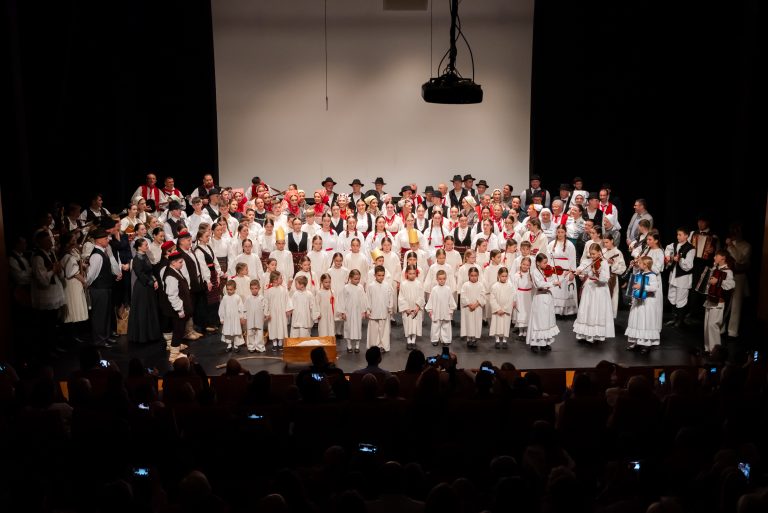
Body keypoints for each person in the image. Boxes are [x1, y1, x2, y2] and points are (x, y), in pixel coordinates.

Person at [572, 243, 615, 344]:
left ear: (599, 252)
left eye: (594, 254)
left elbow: (605, 279)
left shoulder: (604, 263)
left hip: (600, 289)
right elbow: (582, 268)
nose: (592, 256)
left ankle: (596, 335)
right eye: (591, 254)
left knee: (597, 310)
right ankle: (585, 334)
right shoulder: (587, 261)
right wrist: (579, 272)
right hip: (589, 288)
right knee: (587, 309)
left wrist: (597, 273)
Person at [85, 229, 119, 348]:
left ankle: (105, 336)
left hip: (105, 288)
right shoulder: (96, 255)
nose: (108, 240)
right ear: (98, 241)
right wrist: (88, 285)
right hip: (99, 289)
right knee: (99, 315)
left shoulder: (102, 252)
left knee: (106, 314)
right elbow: (91, 276)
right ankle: (99, 339)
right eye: (105, 238)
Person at [160, 251, 194, 362]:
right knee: (178, 330)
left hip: (179, 308)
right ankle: (174, 355)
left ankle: (176, 346)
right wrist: (179, 309)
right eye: (180, 262)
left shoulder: (175, 271)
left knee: (179, 329)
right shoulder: (171, 276)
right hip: (176, 309)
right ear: (173, 263)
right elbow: (172, 295)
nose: (182, 264)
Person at [703, 249, 736, 355]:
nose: (714, 257)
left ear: (723, 258)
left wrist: (718, 281)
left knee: (713, 326)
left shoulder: (728, 271)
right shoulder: (715, 268)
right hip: (710, 300)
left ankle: (715, 351)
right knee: (707, 325)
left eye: (716, 256)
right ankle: (708, 349)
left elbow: (731, 284)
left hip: (718, 302)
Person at [128, 238, 161, 344]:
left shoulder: (145, 256)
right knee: (143, 311)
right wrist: (151, 282)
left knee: (150, 309)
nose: (147, 246)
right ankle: (143, 336)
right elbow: (140, 274)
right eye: (145, 245)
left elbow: (150, 271)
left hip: (148, 286)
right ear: (139, 247)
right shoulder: (136, 259)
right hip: (142, 287)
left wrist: (155, 280)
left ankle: (151, 334)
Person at [625, 256, 660, 354]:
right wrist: (632, 292)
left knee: (645, 321)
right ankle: (636, 342)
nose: (638, 264)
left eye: (640, 263)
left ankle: (646, 344)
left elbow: (654, 288)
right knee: (637, 321)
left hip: (647, 302)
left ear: (645, 265)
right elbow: (634, 285)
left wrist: (642, 286)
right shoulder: (638, 273)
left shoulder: (652, 275)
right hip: (638, 302)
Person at [527, 253, 560, 352]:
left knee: (547, 320)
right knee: (538, 321)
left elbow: (552, 279)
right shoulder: (534, 272)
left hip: (547, 296)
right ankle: (534, 343)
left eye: (547, 262)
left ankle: (545, 343)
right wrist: (552, 283)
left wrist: (555, 280)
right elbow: (539, 284)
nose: (546, 265)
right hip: (540, 297)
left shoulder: (547, 271)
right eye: (544, 263)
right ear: (538, 263)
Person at [664, 227, 695, 327]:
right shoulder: (674, 245)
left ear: (686, 236)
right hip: (673, 275)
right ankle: (674, 318)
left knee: (681, 299)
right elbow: (668, 249)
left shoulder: (691, 248)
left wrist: (680, 260)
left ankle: (680, 320)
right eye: (677, 234)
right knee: (672, 296)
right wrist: (668, 256)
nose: (678, 236)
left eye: (680, 235)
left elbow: (689, 266)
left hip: (683, 277)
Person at [724, 223, 751, 338]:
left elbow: (740, 259)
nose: (734, 234)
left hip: (739, 276)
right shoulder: (730, 243)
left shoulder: (747, 246)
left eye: (737, 231)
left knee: (736, 304)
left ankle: (732, 331)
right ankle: (721, 327)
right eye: (733, 231)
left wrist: (731, 246)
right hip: (727, 274)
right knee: (724, 301)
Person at [547, 226, 578, 316]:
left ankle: (565, 311)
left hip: (565, 270)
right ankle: (554, 311)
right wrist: (548, 270)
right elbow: (548, 258)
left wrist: (572, 272)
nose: (560, 234)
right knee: (555, 289)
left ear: (565, 233)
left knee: (564, 290)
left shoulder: (570, 245)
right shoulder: (551, 244)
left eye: (562, 232)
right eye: (558, 232)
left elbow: (572, 259)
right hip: (554, 269)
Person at [425, 268, 456, 348]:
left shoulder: (448, 289)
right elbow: (431, 300)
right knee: (435, 325)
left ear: (446, 279)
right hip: (436, 311)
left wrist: (451, 310)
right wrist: (430, 310)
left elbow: (451, 301)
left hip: (446, 311)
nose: (442, 281)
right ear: (437, 279)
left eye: (443, 279)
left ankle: (446, 340)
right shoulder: (434, 289)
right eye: (440, 279)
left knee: (446, 325)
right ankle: (435, 339)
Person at [366, 266, 394, 352]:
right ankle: (374, 346)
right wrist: (368, 310)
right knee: (374, 330)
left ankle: (383, 345)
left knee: (384, 330)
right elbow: (368, 298)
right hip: (374, 311)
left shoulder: (387, 285)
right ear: (375, 275)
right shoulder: (371, 286)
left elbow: (390, 296)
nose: (381, 277)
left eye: (382, 275)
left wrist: (390, 307)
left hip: (384, 311)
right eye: (379, 275)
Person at [338, 269, 367, 353]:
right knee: (348, 328)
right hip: (349, 312)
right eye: (355, 279)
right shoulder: (346, 288)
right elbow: (342, 300)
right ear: (350, 278)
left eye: (358, 279)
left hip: (358, 311)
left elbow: (363, 299)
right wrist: (342, 312)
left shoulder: (360, 287)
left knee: (358, 328)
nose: (357, 281)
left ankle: (357, 346)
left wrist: (364, 311)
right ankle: (349, 346)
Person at [264, 271, 292, 352]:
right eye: (280, 278)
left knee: (281, 326)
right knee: (273, 327)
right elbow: (266, 303)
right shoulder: (269, 291)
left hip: (281, 312)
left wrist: (288, 310)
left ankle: (280, 343)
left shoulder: (284, 290)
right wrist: (267, 313)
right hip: (272, 313)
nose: (282, 279)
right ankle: (274, 344)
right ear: (275, 280)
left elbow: (287, 300)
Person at [399, 265, 425, 350]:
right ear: (407, 273)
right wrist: (406, 308)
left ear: (416, 274)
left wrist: (418, 307)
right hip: (407, 309)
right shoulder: (403, 284)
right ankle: (408, 341)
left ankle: (413, 340)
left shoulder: (419, 283)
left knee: (415, 325)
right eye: (410, 273)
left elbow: (421, 296)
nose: (412, 275)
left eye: (414, 273)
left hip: (416, 309)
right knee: (407, 324)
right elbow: (401, 297)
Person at [601, 234, 626, 319]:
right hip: (602, 277)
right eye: (604, 243)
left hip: (612, 277)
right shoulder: (603, 251)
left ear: (612, 241)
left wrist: (613, 265)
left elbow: (622, 268)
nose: (605, 244)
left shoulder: (617, 252)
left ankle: (609, 317)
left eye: (607, 242)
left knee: (612, 297)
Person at [489, 267, 514, 349]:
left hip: (505, 311)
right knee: (496, 324)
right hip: (497, 310)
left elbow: (511, 298)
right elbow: (492, 298)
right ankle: (497, 340)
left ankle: (504, 340)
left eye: (506, 276)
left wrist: (504, 309)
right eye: (502, 276)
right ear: (499, 276)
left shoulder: (510, 286)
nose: (504, 278)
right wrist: (497, 309)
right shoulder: (495, 286)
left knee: (505, 325)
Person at [460, 267, 485, 348]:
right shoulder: (465, 285)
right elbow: (463, 296)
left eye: (475, 275)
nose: (473, 277)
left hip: (477, 308)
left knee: (476, 323)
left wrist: (476, 304)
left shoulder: (481, 285)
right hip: (468, 308)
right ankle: (468, 338)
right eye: (472, 275)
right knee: (468, 322)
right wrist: (469, 304)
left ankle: (474, 339)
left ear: (478, 275)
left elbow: (482, 296)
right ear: (468, 275)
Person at [219, 280, 246, 353]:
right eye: (227, 289)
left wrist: (241, 317)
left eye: (231, 289)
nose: (229, 291)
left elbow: (241, 308)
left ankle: (236, 345)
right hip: (227, 318)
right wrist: (221, 318)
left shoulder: (237, 297)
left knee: (236, 331)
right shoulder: (225, 298)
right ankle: (229, 345)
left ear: (235, 289)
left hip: (235, 318)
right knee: (228, 331)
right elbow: (221, 308)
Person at [512, 256, 533, 340]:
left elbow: (533, 286)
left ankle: (526, 331)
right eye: (524, 264)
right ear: (520, 264)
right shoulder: (516, 275)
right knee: (520, 312)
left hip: (528, 296)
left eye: (527, 265)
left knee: (527, 312)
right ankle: (521, 331)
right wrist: (514, 299)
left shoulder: (531, 275)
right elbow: (514, 288)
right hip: (520, 295)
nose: (525, 266)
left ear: (530, 266)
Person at [245, 279, 265, 353]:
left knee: (259, 333)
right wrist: (244, 317)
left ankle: (259, 346)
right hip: (250, 318)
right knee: (250, 333)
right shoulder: (248, 298)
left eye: (256, 288)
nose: (254, 290)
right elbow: (245, 308)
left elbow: (264, 308)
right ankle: (251, 346)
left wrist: (265, 315)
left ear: (259, 288)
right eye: (252, 288)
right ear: (250, 289)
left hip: (259, 318)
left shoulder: (261, 298)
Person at [315, 273, 336, 338]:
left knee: (331, 328)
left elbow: (335, 303)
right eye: (326, 282)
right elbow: (316, 304)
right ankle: (323, 342)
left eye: (329, 282)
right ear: (322, 282)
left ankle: (330, 341)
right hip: (322, 314)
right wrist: (318, 313)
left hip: (330, 314)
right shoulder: (319, 292)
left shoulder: (332, 292)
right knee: (323, 329)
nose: (328, 284)